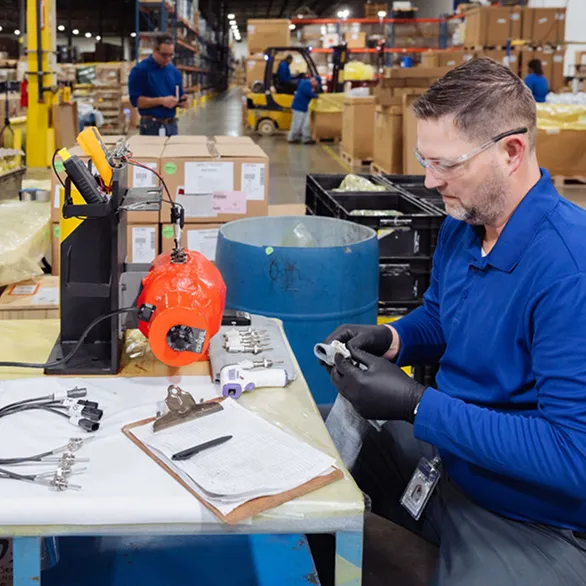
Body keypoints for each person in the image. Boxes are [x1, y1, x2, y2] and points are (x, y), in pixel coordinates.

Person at [323, 57, 586, 585]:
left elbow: (571, 456)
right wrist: (394, 339)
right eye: (425, 160)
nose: (429, 180)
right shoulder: (466, 222)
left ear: (512, 152)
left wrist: (417, 404)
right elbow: (445, 317)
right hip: (452, 458)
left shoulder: (568, 270)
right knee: (319, 450)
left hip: (531, 513)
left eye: (447, 164)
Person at [128, 35, 189, 136]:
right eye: (164, 55)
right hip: (151, 126)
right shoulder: (140, 71)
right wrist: (162, 101)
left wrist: (182, 101)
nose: (168, 59)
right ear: (154, 51)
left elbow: (178, 96)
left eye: (171, 55)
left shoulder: (174, 72)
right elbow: (136, 101)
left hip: (171, 126)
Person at [288, 77, 319, 144]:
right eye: (316, 83)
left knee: (306, 124)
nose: (316, 85)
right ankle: (292, 138)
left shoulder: (308, 85)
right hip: (298, 107)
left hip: (304, 107)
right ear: (314, 81)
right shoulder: (305, 84)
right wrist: (316, 95)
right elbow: (308, 93)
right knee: (297, 124)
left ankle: (306, 139)